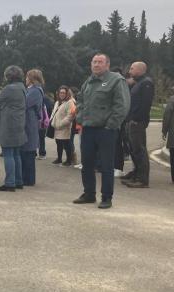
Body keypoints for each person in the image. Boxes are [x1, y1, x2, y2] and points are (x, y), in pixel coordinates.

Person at [73, 53, 131, 209]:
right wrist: (80, 117)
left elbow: (122, 106)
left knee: (106, 165)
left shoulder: (116, 80)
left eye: (100, 62)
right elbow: (80, 100)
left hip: (106, 130)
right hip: (88, 129)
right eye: (94, 62)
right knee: (87, 164)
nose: (96, 65)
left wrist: (111, 125)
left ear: (107, 65)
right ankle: (89, 194)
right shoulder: (89, 81)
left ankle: (106, 197)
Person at [0, 66, 27, 192]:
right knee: (16, 153)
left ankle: (10, 183)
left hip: (8, 124)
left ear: (8, 76)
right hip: (19, 123)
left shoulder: (9, 88)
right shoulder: (22, 87)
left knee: (8, 154)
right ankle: (18, 181)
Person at [121, 62, 155, 188]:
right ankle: (136, 174)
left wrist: (136, 119)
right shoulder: (138, 83)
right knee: (133, 150)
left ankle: (142, 179)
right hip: (131, 121)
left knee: (139, 150)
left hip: (137, 122)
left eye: (132, 68)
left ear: (140, 70)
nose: (129, 71)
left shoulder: (146, 83)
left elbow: (145, 105)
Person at [21, 69, 44, 186]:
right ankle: (26, 178)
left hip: (30, 124)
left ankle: (29, 179)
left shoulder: (35, 91)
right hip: (29, 123)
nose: (25, 79)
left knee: (28, 152)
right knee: (26, 152)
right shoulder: (33, 90)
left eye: (27, 77)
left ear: (32, 78)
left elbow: (24, 104)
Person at [50, 86, 75, 166]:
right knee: (58, 143)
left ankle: (69, 160)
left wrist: (61, 124)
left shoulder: (70, 102)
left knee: (66, 144)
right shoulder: (57, 102)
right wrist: (52, 122)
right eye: (60, 92)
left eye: (63, 92)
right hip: (56, 127)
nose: (62, 94)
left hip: (65, 127)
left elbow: (70, 115)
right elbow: (53, 112)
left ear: (67, 93)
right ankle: (59, 158)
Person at [38, 92, 54, 160]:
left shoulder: (43, 99)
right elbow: (50, 110)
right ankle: (42, 153)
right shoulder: (46, 99)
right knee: (41, 138)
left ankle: (41, 153)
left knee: (40, 138)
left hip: (41, 121)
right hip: (43, 121)